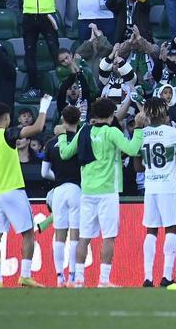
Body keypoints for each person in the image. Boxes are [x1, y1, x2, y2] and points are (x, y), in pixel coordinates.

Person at [58, 96, 142, 287]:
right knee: (109, 237)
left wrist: (63, 135)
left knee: (84, 237)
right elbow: (133, 149)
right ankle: (103, 280)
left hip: (87, 191)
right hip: (107, 192)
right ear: (112, 115)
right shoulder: (112, 132)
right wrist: (138, 128)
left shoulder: (83, 131)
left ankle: (78, 279)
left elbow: (65, 153)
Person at [0, 97, 49, 287]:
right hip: (12, 191)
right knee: (28, 234)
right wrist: (44, 107)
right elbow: (38, 128)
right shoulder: (8, 135)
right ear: (7, 117)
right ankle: (25, 275)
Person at [137, 97, 176, 287]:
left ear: (147, 113)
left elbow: (137, 167)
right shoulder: (173, 133)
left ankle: (148, 277)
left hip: (150, 187)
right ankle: (167, 276)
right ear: (165, 112)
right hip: (168, 187)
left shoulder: (142, 134)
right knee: (171, 228)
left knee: (151, 231)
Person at [42, 105, 82, 288]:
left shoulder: (51, 143)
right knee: (75, 234)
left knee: (59, 235)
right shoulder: (81, 141)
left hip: (58, 190)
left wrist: (58, 177)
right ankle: (73, 276)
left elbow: (44, 172)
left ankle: (59, 277)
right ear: (78, 120)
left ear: (62, 119)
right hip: (76, 189)